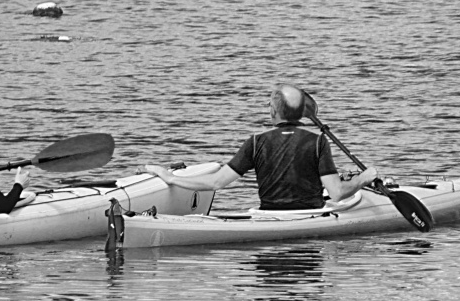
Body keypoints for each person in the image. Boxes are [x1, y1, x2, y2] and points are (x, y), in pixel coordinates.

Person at [148, 85, 378, 210]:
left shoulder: (256, 141)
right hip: (312, 214)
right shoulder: (316, 141)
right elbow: (337, 193)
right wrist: (364, 179)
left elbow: (216, 182)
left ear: (273, 112)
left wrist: (171, 178)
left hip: (269, 214)